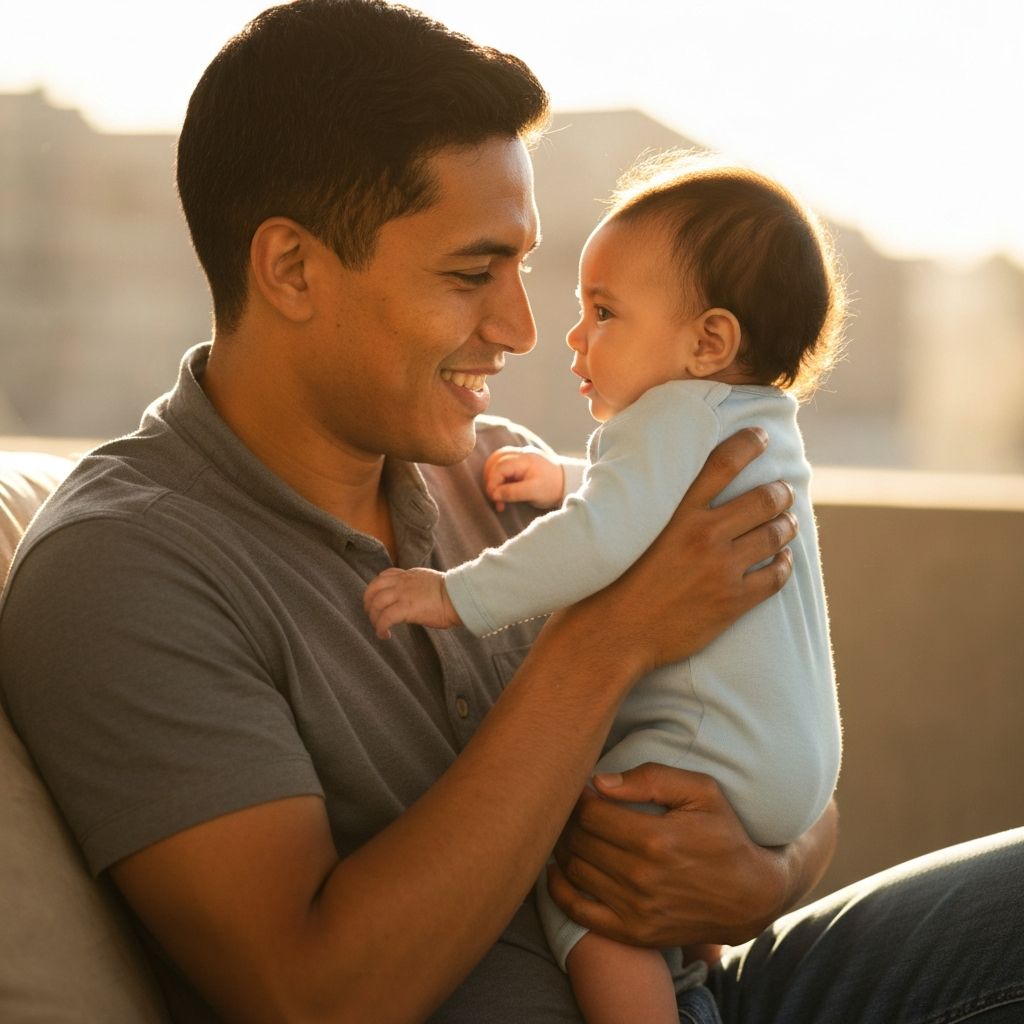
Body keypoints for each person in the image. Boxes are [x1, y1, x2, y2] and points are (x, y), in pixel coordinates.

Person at [0, 2, 1020, 1023]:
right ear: (292, 269)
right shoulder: (124, 567)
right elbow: (313, 995)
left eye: (523, 267)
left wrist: (764, 873)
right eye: (470, 273)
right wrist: (608, 640)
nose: (523, 328)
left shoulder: (501, 475)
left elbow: (779, 749)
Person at [363, 150, 844, 1024]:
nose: (570, 335)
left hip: (706, 755)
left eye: (604, 312)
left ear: (708, 343)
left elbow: (598, 539)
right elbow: (640, 498)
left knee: (586, 896)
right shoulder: (757, 422)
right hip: (792, 765)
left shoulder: (666, 415)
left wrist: (454, 596)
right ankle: (690, 956)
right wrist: (567, 480)